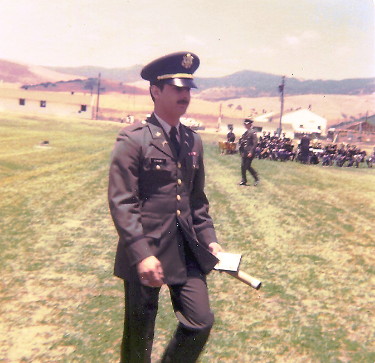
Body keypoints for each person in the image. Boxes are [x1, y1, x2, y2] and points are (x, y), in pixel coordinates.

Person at [108, 51, 222, 363]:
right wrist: (142, 254)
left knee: (200, 321)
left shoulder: (192, 140)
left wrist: (209, 237)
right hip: (145, 249)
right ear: (156, 91)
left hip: (185, 248)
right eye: (177, 89)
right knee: (139, 333)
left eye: (188, 90)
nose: (185, 96)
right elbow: (122, 202)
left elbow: (196, 200)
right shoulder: (133, 139)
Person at [239, 118, 259, 186]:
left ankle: (256, 178)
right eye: (244, 124)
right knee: (242, 166)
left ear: (250, 124)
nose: (245, 125)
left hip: (249, 152)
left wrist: (251, 152)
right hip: (244, 152)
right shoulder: (246, 132)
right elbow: (243, 141)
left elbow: (255, 143)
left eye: (246, 124)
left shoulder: (253, 132)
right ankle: (244, 180)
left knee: (247, 166)